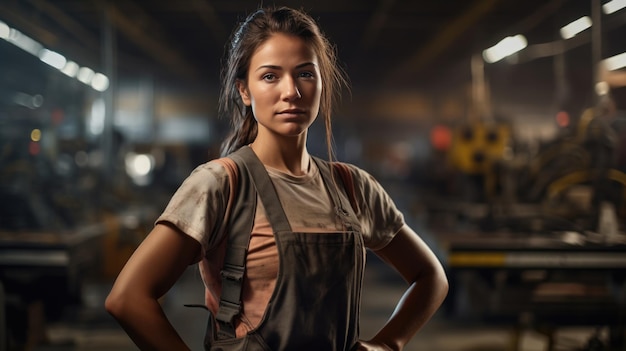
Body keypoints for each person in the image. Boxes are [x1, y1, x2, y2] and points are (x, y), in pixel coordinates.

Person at [105, 6, 448, 351]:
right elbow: (127, 298)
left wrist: (389, 343)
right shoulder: (221, 184)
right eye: (270, 76)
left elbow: (431, 277)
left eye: (304, 74)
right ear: (244, 90)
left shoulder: (353, 188)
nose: (291, 92)